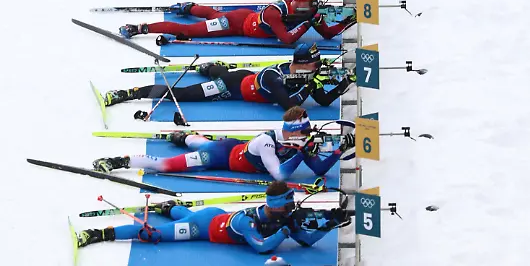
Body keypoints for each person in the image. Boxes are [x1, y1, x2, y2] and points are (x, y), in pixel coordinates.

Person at [75, 180, 350, 252]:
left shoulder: (281, 215)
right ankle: (99, 234)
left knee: (183, 216)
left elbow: (306, 241)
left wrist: (330, 223)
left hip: (215, 216)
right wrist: (284, 233)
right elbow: (260, 247)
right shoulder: (248, 222)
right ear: (276, 205)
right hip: (203, 227)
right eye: (288, 203)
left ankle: (169, 207)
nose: (293, 207)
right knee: (153, 235)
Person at [93, 105, 354, 178]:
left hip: (232, 147)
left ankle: (183, 137)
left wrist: (338, 150)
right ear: (293, 131)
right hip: (220, 155)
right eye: (304, 132)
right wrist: (302, 153)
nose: (307, 136)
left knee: (199, 143)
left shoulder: (299, 141)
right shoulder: (267, 141)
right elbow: (280, 176)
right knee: (167, 165)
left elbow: (319, 169)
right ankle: (118, 160)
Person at [100, 42, 354, 110]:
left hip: (243, 76)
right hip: (231, 87)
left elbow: (322, 100)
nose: (318, 67)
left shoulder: (302, 75)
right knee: (185, 95)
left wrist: (344, 83)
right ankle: (130, 93)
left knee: (221, 71)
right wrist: (310, 85)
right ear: (303, 65)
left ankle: (210, 67)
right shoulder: (275, 77)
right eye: (315, 64)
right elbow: (288, 105)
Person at [119, 0, 355, 43]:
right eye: (311, 3)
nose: (314, 6)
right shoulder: (276, 12)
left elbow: (326, 34)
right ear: (299, 1)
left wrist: (349, 21)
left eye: (315, 3)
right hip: (235, 24)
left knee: (212, 15)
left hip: (243, 18)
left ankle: (189, 7)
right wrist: (307, 23)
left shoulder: (307, 8)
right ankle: (141, 28)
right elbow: (286, 39)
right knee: (190, 30)